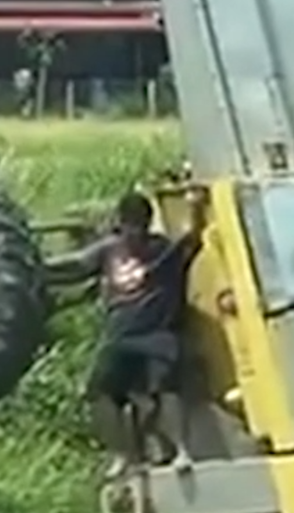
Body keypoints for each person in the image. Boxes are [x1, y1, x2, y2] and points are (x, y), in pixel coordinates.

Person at [47, 187, 209, 478]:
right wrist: (40, 266)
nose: (134, 234)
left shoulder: (162, 250)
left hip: (157, 332)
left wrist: (196, 208)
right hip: (120, 336)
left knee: (165, 389)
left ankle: (182, 451)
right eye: (130, 227)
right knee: (98, 393)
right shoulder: (109, 249)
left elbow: (193, 238)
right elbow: (76, 265)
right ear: (121, 224)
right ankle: (123, 455)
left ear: (148, 224)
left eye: (140, 227)